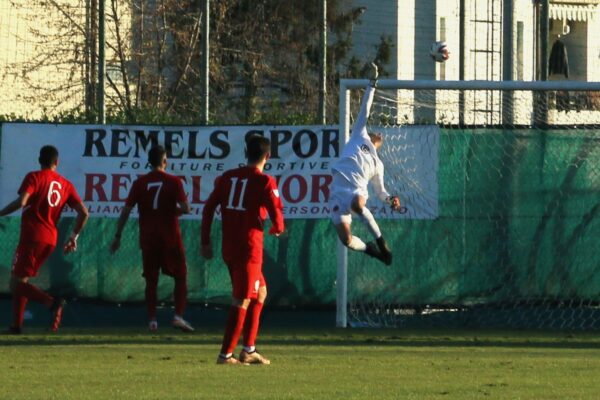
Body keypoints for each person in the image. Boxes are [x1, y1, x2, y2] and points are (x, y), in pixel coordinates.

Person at [201, 134, 284, 365]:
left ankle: (249, 349)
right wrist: (278, 227)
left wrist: (205, 241)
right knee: (242, 300)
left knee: (261, 293)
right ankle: (225, 354)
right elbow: (276, 212)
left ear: (246, 153)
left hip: (229, 247)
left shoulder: (227, 177)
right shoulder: (265, 181)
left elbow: (208, 209)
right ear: (267, 156)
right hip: (249, 249)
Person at [0, 145, 89, 334]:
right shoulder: (65, 184)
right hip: (50, 239)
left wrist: (1, 213)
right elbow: (84, 212)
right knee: (21, 280)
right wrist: (74, 237)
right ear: (56, 162)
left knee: (15, 284)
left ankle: (51, 303)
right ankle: (16, 326)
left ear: (39, 160)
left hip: (33, 236)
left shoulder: (34, 177)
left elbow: (22, 201)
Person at [110, 145, 194, 333]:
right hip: (170, 238)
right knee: (181, 276)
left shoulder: (140, 183)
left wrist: (118, 235)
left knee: (151, 280)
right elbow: (186, 207)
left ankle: (152, 321)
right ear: (165, 161)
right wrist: (176, 211)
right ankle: (178, 316)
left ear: (149, 161)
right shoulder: (174, 181)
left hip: (148, 239)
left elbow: (126, 210)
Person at [330, 63, 402, 266]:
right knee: (346, 241)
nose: (379, 134)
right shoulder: (359, 134)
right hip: (337, 191)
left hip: (356, 190)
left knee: (357, 204)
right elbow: (365, 109)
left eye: (381, 135)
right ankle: (371, 250)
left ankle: (381, 242)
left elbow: (381, 192)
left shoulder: (378, 164)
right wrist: (372, 84)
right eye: (377, 132)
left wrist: (391, 200)